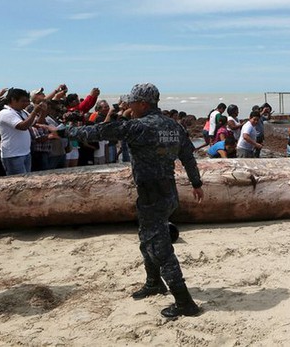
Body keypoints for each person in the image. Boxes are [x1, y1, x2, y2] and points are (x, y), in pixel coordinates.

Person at [44, 83, 204, 318]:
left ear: (143, 104)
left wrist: (63, 131)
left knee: (160, 248)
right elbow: (188, 156)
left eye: (131, 102)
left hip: (153, 194)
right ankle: (153, 283)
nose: (128, 105)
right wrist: (196, 183)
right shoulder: (173, 126)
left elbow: (99, 132)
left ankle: (185, 302)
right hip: (166, 192)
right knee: (145, 236)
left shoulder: (139, 127)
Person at [0, 88, 47, 175]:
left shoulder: (22, 112)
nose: (26, 104)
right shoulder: (5, 113)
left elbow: (37, 123)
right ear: (13, 100)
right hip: (13, 155)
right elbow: (22, 126)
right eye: (23, 101)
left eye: (27, 101)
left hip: (25, 152)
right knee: (17, 182)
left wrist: (43, 112)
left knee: (25, 181)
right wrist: (34, 112)